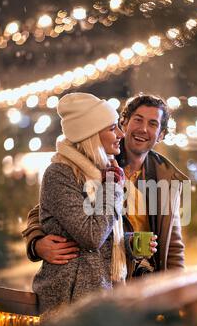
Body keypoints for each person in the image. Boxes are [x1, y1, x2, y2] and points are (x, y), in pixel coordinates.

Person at [22, 93, 189, 279]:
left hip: (145, 282)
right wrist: (36, 243)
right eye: (137, 120)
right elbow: (44, 209)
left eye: (153, 124)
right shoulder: (94, 164)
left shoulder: (165, 178)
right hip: (107, 280)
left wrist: (177, 292)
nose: (143, 129)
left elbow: (173, 246)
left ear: (161, 135)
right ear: (123, 123)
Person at [32, 92, 127, 314]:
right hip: (69, 301)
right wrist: (112, 187)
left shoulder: (100, 173)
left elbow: (100, 236)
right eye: (113, 128)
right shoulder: (59, 175)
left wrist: (129, 246)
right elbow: (92, 236)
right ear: (91, 135)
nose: (121, 134)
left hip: (97, 296)